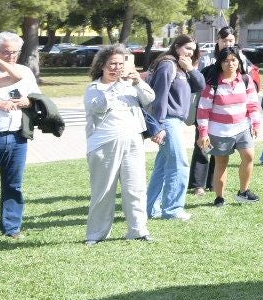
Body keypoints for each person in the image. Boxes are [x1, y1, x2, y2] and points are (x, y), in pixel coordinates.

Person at [82, 45, 157, 243]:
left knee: (135, 188)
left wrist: (137, 81)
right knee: (103, 190)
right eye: (112, 64)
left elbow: (150, 98)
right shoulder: (94, 89)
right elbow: (99, 107)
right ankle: (96, 234)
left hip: (133, 141)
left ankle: (138, 230)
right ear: (102, 66)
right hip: (104, 144)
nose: (117, 68)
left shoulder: (130, 85)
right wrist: (116, 84)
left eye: (120, 64)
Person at [0, 32, 39, 241]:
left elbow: (36, 97)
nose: (11, 56)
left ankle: (11, 228)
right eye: (6, 52)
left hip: (17, 136)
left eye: (15, 52)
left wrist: (27, 102)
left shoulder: (24, 72)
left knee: (14, 185)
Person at [144, 34, 204, 222]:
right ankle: (173, 209)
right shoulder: (167, 65)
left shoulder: (182, 67)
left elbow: (200, 85)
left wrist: (190, 69)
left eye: (193, 50)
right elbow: (159, 96)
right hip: (167, 121)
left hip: (175, 121)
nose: (190, 53)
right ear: (177, 46)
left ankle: (150, 209)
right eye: (187, 48)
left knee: (162, 167)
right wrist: (159, 125)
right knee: (179, 164)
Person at [196, 47, 261, 206]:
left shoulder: (246, 79)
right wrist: (203, 133)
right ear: (220, 63)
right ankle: (219, 197)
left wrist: (255, 123)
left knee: (249, 156)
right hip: (219, 131)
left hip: (242, 128)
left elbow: (253, 104)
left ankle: (243, 192)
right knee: (221, 163)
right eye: (226, 61)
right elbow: (203, 110)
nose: (230, 64)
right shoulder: (213, 83)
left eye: (233, 60)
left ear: (239, 61)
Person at [191, 27, 250, 195]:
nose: (227, 43)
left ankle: (213, 184)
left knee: (220, 153)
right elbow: (198, 80)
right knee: (203, 146)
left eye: (231, 40)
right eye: (224, 40)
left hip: (228, 113)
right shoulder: (207, 58)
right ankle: (198, 184)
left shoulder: (240, 56)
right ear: (218, 40)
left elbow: (246, 76)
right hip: (207, 106)